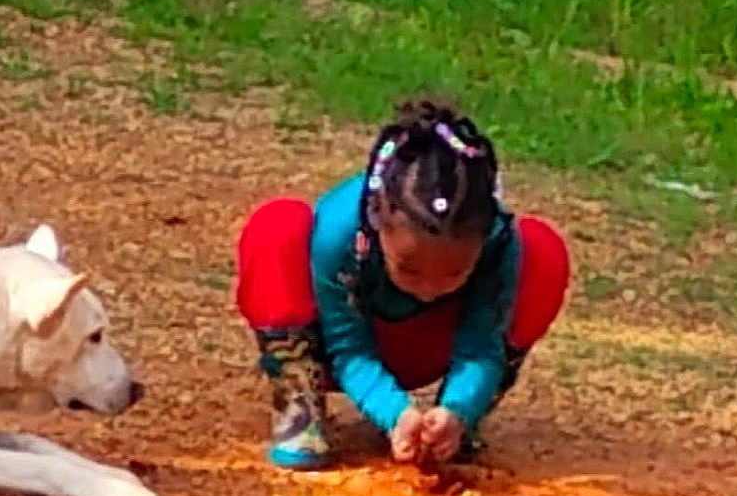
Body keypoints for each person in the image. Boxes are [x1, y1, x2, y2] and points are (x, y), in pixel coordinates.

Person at [234, 96, 571, 470]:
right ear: (376, 220)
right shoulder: (341, 233)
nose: (429, 288)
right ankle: (300, 409)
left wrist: (458, 409)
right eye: (410, 270)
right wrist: (395, 413)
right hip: (333, 345)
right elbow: (349, 348)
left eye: (455, 274)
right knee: (277, 228)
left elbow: (481, 346)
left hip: (436, 344)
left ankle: (454, 427)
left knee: (542, 249)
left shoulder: (499, 240)